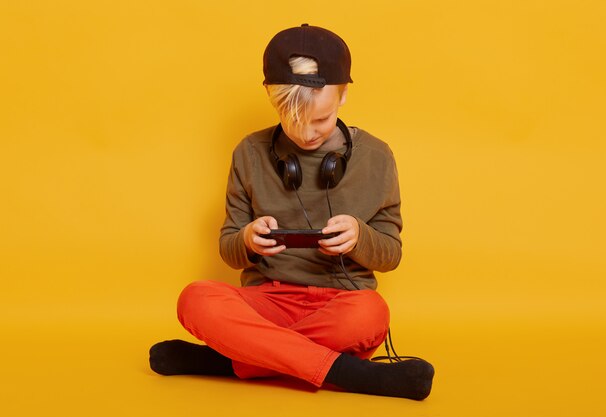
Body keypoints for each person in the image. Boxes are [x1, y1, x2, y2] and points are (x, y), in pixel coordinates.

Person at [149, 24, 434, 401]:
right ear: (271, 97)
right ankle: (345, 372)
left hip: (341, 305)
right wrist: (248, 239)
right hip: (267, 301)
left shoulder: (377, 156)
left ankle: (234, 359)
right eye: (293, 120)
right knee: (195, 298)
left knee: (372, 313)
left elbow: (391, 254)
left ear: (343, 94)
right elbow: (228, 247)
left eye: (321, 119)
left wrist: (359, 237)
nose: (307, 134)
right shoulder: (249, 152)